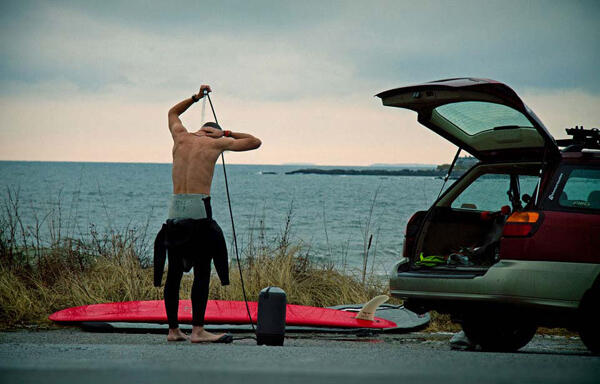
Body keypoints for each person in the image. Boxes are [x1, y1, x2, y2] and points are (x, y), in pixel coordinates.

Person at [154, 85, 261, 343]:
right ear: (212, 132)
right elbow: (255, 142)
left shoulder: (180, 137)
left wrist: (196, 97)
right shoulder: (216, 143)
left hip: (174, 212)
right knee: (202, 271)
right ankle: (198, 331)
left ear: (200, 128)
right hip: (199, 212)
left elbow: (172, 113)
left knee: (174, 275)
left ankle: (172, 331)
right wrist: (225, 132)